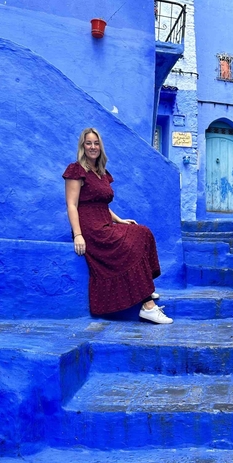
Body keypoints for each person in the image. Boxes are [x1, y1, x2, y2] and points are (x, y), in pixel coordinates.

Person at [63, 127, 173, 324]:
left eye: (96, 143)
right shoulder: (77, 170)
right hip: (90, 228)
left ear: (100, 146)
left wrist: (119, 220)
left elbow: (102, 203)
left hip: (105, 221)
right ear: (82, 146)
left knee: (142, 232)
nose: (92, 147)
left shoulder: (102, 173)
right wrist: (78, 234)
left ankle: (146, 287)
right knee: (126, 247)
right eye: (88, 143)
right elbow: (72, 204)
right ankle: (147, 306)